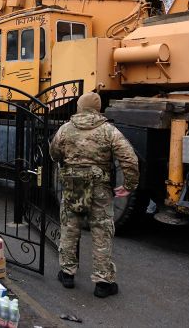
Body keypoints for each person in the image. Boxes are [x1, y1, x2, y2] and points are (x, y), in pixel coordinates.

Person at [50, 92, 139, 298]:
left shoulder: (65, 129)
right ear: (98, 108)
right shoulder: (109, 131)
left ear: (79, 106)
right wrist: (129, 185)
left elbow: (54, 153)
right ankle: (103, 283)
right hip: (100, 188)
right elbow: (129, 159)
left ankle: (67, 274)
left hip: (73, 186)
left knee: (70, 228)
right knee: (102, 232)